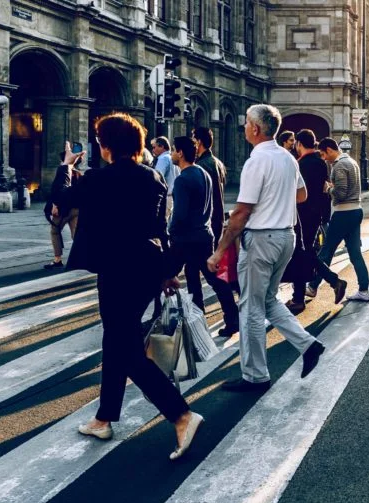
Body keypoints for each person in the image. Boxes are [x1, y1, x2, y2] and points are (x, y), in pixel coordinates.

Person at [55, 115, 203, 460]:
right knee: (117, 339)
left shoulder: (99, 179)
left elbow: (59, 199)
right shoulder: (152, 177)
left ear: (106, 146)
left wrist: (65, 166)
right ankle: (104, 417)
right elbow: (159, 227)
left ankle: (181, 415)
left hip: (117, 270)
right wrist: (167, 272)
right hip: (148, 266)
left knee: (127, 350)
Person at [207, 104, 325, 392]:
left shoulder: (256, 161)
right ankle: (308, 345)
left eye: (246, 122)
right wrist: (276, 200)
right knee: (268, 300)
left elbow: (241, 212)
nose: (244, 126)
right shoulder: (288, 158)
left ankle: (255, 375)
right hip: (286, 236)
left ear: (255, 129)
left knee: (250, 309)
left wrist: (219, 250)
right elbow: (302, 195)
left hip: (261, 239)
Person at [165, 136, 239, 335]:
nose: (172, 153)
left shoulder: (182, 179)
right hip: (204, 236)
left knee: (163, 275)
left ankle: (161, 321)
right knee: (211, 278)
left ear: (180, 153)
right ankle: (231, 318)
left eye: (173, 150)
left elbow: (179, 214)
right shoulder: (203, 173)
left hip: (185, 239)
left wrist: (170, 231)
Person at [286, 129, 346, 312]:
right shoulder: (321, 163)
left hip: (301, 215)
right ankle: (306, 293)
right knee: (305, 253)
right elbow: (324, 191)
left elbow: (296, 193)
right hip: (315, 215)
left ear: (299, 144)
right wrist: (324, 216)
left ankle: (303, 296)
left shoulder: (300, 165)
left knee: (301, 254)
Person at [307, 137, 369, 302]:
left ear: (329, 150)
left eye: (323, 154)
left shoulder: (340, 165)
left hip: (343, 213)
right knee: (355, 253)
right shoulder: (351, 161)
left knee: (326, 251)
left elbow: (341, 193)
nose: (323, 158)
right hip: (355, 211)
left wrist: (329, 188)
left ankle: (313, 286)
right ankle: (364, 290)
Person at [44, 150, 83, 269]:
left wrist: (55, 205)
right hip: (76, 209)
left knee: (55, 231)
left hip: (62, 209)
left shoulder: (63, 172)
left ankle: (57, 259)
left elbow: (57, 191)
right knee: (76, 234)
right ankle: (80, 258)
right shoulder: (79, 174)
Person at [192, 126, 228, 250]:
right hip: (218, 218)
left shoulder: (201, 165)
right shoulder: (218, 163)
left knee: (197, 264)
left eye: (193, 139)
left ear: (199, 141)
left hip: (206, 222)